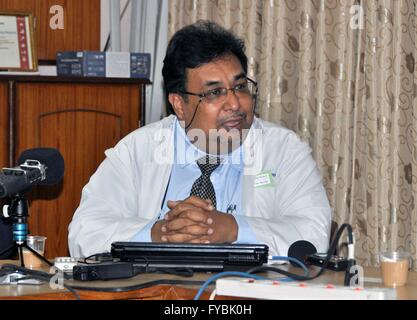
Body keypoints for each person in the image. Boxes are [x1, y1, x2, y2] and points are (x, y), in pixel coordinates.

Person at [68, 20, 331, 258]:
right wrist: (159, 233)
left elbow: (314, 236)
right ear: (179, 104)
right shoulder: (138, 150)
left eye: (240, 87)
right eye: (214, 92)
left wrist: (234, 228)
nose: (235, 103)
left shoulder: (285, 150)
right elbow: (84, 233)